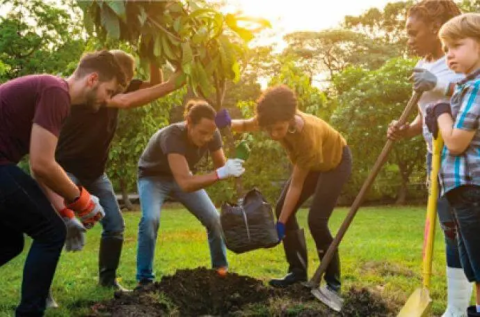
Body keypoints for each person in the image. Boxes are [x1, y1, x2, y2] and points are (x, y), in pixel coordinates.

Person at [40, 50, 184, 305]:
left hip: (96, 173)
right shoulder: (95, 93)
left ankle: (107, 279)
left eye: (126, 83)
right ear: (112, 75)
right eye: (122, 82)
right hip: (64, 169)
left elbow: (152, 84)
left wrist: (152, 49)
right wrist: (177, 82)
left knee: (115, 226)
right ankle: (43, 290)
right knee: (57, 227)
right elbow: (131, 100)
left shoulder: (117, 89)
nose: (123, 88)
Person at [0, 50, 125, 317]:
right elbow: (42, 165)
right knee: (50, 233)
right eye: (109, 91)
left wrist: (67, 214)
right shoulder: (56, 92)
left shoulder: (53, 93)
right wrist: (84, 202)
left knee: (10, 242)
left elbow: (41, 170)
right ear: (92, 79)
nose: (108, 100)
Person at [216, 85, 352, 303]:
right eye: (269, 129)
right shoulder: (272, 118)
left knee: (316, 220)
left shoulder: (307, 136)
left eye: (278, 129)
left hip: (335, 162)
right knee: (283, 209)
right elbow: (247, 124)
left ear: (290, 118)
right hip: (314, 165)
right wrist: (228, 122)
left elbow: (297, 185)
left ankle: (333, 283)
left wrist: (281, 224)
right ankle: (297, 272)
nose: (273, 134)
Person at [387, 1, 471, 315]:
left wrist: (436, 83)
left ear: (435, 29)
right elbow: (428, 117)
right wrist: (405, 130)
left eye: (413, 32)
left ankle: (458, 307)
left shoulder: (458, 60)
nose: (408, 39)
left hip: (460, 156)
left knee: (465, 231)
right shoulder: (426, 63)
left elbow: (470, 93)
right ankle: (458, 307)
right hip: (433, 157)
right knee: (452, 230)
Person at [135, 100, 244, 287]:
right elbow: (185, 183)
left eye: (211, 133)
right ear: (188, 123)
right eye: (202, 133)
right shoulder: (172, 136)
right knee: (150, 219)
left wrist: (233, 167)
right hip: (153, 177)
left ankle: (220, 272)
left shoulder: (212, 133)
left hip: (182, 175)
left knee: (214, 219)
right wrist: (221, 172)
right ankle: (145, 280)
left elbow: (221, 166)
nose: (207, 138)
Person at [425, 13, 480, 317]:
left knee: (479, 263)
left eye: (457, 45)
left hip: (472, 188)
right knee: (473, 264)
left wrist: (443, 113)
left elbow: (457, 142)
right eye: (446, 47)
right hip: (462, 190)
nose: (449, 53)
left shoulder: (476, 87)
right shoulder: (465, 86)